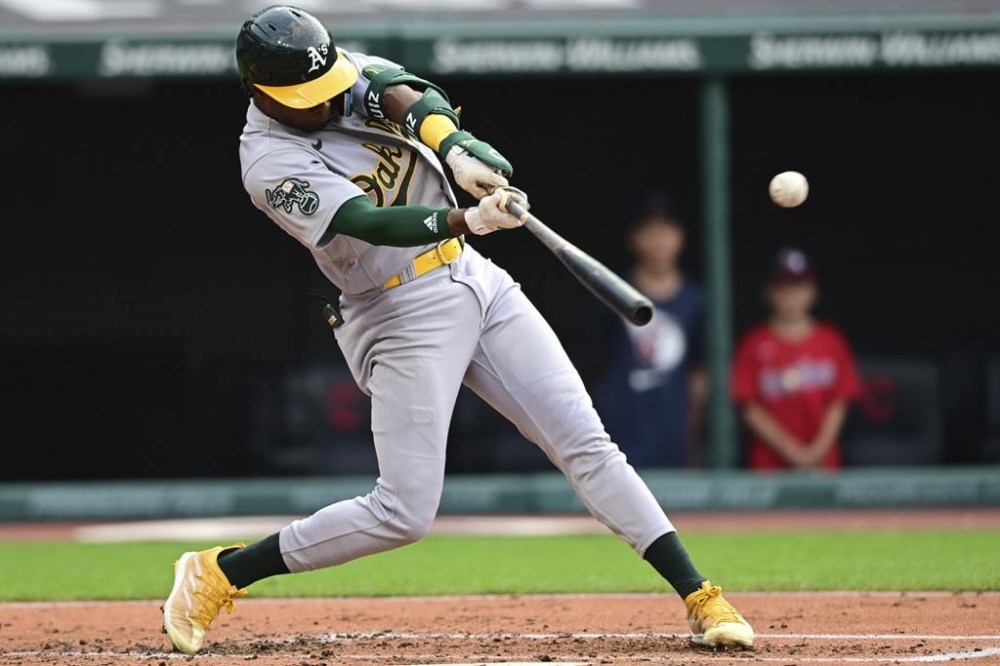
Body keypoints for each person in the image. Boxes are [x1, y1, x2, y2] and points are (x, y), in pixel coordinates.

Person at [161, 5, 752, 655]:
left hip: (475, 280)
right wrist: (461, 221)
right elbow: (364, 221)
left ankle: (700, 595)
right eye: (306, 99)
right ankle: (220, 572)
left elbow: (407, 97)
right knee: (403, 513)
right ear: (257, 92)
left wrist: (457, 148)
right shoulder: (268, 161)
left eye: (328, 87)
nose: (325, 103)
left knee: (586, 442)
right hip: (396, 310)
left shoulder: (336, 72)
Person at [596, 196, 707, 468]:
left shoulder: (696, 301)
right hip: (622, 430)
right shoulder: (612, 291)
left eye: (667, 229)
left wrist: (691, 431)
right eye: (649, 230)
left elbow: (701, 374)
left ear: (681, 237)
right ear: (634, 238)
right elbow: (598, 364)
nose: (659, 239)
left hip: (673, 431)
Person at [730, 248, 862, 471]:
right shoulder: (754, 344)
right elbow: (750, 409)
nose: (791, 294)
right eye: (783, 286)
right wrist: (794, 452)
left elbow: (840, 402)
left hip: (824, 466)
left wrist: (815, 452)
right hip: (770, 469)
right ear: (769, 292)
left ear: (813, 291)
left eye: (799, 286)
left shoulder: (831, 341)